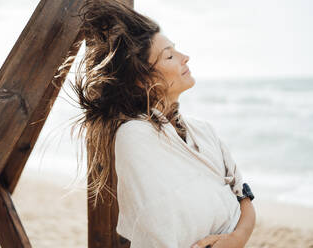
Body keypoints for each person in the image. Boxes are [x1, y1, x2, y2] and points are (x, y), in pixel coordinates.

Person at [67, 0, 256, 247]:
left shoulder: (203, 130)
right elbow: (161, 228)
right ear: (143, 80)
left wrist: (237, 238)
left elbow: (244, 196)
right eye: (169, 55)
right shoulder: (134, 136)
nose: (185, 57)